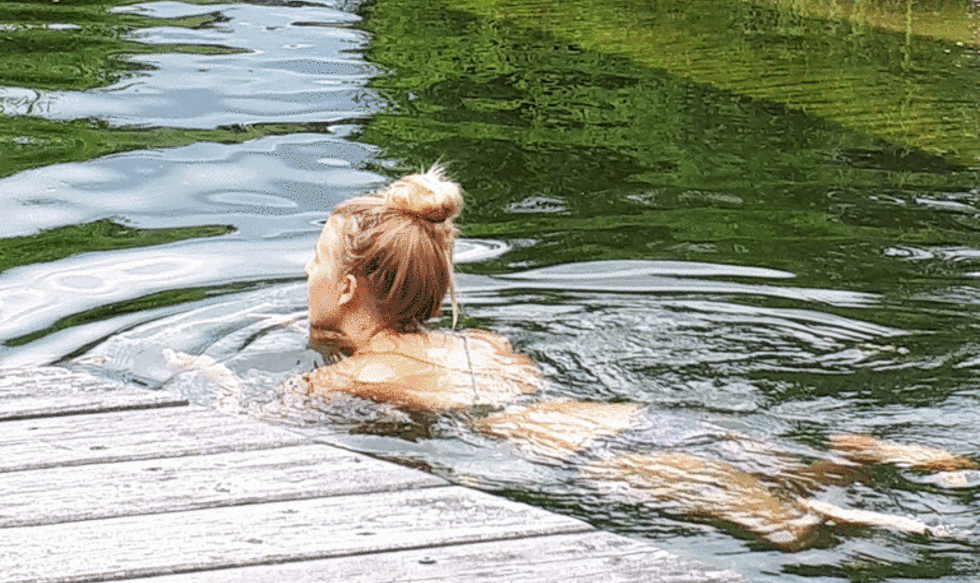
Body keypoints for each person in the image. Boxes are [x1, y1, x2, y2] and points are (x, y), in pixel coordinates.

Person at [291, 165, 978, 550]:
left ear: (348, 288)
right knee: (811, 477)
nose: (306, 270)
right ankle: (863, 450)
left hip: (592, 459)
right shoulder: (477, 342)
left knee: (791, 529)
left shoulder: (354, 377)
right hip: (638, 419)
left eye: (316, 261)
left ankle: (915, 526)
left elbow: (261, 418)